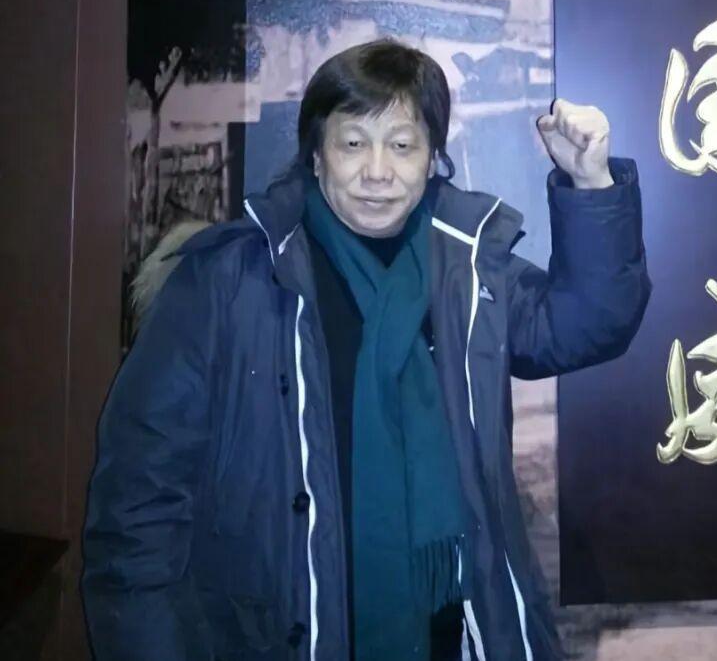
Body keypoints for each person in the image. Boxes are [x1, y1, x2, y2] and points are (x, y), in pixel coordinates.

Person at [83, 40, 649, 661]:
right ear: (316, 155)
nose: (378, 171)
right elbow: (138, 508)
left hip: (453, 638)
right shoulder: (226, 282)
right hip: (278, 637)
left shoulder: (464, 269)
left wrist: (591, 183)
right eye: (353, 143)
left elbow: (587, 324)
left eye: (402, 146)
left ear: (432, 159)